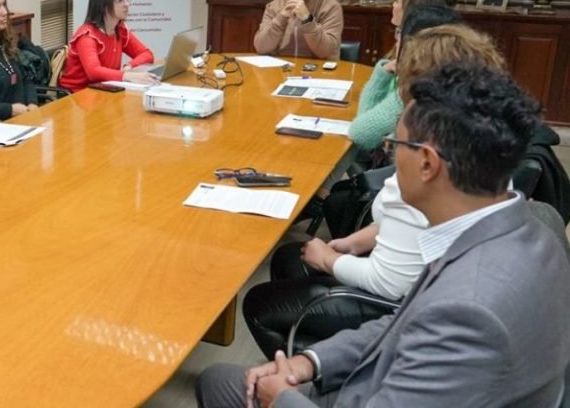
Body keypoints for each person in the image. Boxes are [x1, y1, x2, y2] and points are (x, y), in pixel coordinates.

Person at [198, 61, 570, 408]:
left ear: (427, 163)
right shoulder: (532, 225)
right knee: (219, 380)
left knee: (218, 383)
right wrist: (310, 361)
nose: (390, 158)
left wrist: (281, 398)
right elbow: (406, 320)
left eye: (396, 145)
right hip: (398, 381)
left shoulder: (468, 309)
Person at [244, 24, 507, 361]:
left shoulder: (427, 164)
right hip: (425, 283)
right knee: (289, 258)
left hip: (397, 308)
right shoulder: (476, 140)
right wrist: (356, 242)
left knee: (259, 302)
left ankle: (322, 375)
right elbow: (412, 227)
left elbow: (388, 283)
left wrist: (329, 260)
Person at [347, 0, 450, 152]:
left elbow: (360, 133)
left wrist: (381, 74)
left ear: (410, 9)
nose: (393, 5)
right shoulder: (440, 58)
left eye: (397, 1)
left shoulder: (420, 78)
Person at [58, 0, 159, 93]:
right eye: (120, 0)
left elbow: (147, 54)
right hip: (76, 95)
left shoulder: (120, 30)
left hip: (103, 90)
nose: (127, 4)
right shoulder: (87, 36)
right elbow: (94, 72)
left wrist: (129, 66)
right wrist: (127, 75)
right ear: (104, 5)